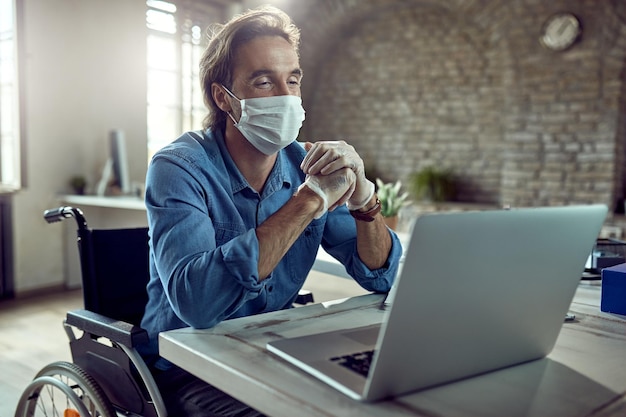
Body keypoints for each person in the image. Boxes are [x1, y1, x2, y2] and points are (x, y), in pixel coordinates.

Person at [139, 5, 403, 416]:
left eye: (292, 80)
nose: (285, 95)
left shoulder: (305, 161)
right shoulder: (179, 167)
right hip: (188, 367)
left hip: (270, 349)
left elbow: (380, 274)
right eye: (264, 82)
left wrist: (363, 199)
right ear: (223, 98)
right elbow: (198, 306)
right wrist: (307, 201)